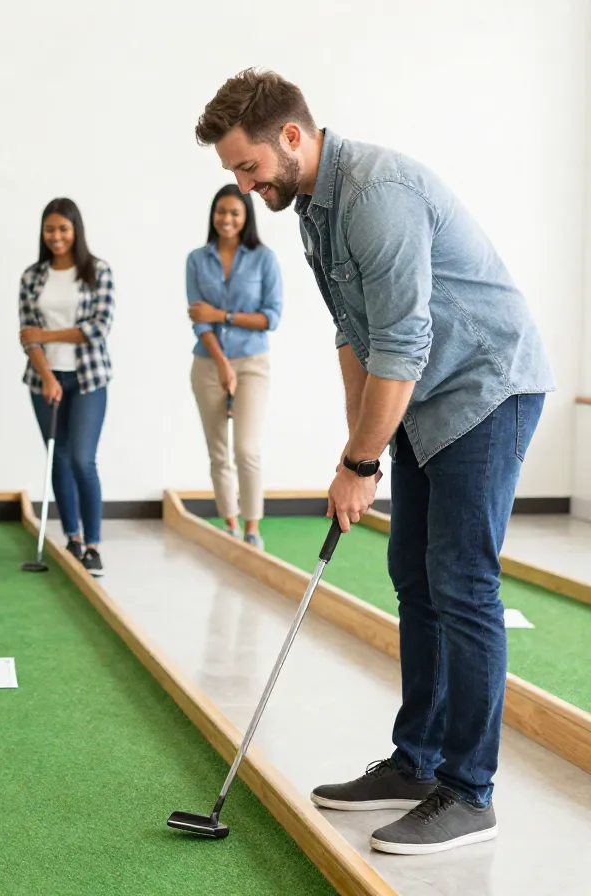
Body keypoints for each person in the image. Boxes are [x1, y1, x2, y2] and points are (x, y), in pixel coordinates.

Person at [193, 68, 555, 856]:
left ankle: (469, 792)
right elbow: (352, 337)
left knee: (462, 580)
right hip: (422, 396)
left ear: (292, 138)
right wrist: (361, 451)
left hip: (486, 384)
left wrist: (359, 464)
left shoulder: (376, 194)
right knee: (412, 572)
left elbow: (402, 342)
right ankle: (416, 764)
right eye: (234, 175)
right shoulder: (311, 214)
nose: (246, 186)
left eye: (247, 167)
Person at [18, 198, 115, 577]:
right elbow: (28, 335)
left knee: (82, 460)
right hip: (45, 379)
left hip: (89, 379)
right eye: (50, 229)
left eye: (63, 229)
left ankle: (93, 545)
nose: (56, 236)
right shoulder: (32, 276)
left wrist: (47, 333)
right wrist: (46, 375)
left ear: (75, 230)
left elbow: (97, 329)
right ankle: (72, 538)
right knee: (57, 457)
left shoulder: (98, 272)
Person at [186, 184, 282, 549]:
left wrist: (222, 314)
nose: (226, 219)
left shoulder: (263, 259)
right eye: (220, 212)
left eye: (234, 213)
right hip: (208, 363)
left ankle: (252, 529)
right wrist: (222, 364)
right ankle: (229, 523)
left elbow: (270, 317)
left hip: (252, 363)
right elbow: (199, 320)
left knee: (247, 449)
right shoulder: (197, 260)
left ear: (246, 217)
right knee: (218, 451)